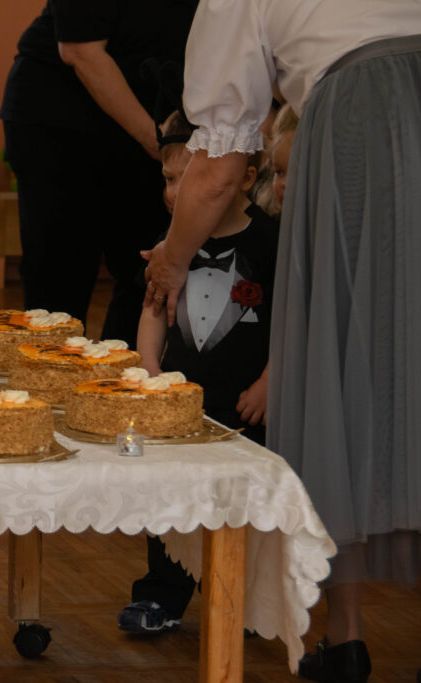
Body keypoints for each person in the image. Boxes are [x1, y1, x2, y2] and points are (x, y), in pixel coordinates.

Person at [142, 2, 421, 680]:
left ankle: (347, 637)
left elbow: (218, 169)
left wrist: (173, 261)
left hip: (364, 114)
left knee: (343, 371)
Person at [119, 111, 278, 634]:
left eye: (185, 180)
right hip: (180, 402)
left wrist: (269, 383)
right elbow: (152, 307)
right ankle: (161, 595)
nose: (173, 194)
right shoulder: (172, 244)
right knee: (168, 499)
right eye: (167, 180)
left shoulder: (270, 242)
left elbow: (292, 323)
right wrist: (148, 366)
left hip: (243, 406)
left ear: (242, 178)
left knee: (240, 506)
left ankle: (236, 601)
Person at [0, 0, 198, 345]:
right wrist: (159, 143)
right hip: (61, 123)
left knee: (142, 272)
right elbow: (80, 51)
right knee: (60, 282)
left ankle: (122, 374)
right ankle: (51, 375)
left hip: (151, 117)